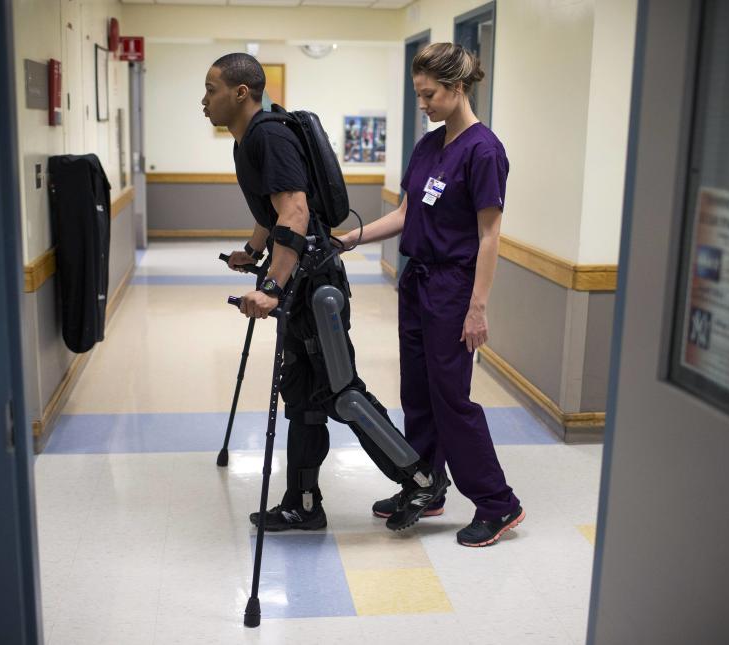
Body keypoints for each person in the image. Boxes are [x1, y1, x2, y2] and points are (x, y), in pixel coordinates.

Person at [202, 53, 448, 532]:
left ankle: (421, 479)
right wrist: (253, 253)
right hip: (302, 280)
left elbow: (294, 211)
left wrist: (271, 286)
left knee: (342, 392)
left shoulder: (268, 136)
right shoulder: (249, 139)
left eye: (211, 89)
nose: (203, 100)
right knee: (304, 398)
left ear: (241, 93)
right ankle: (304, 503)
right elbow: (272, 209)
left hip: (316, 287)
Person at [337, 43, 525, 547]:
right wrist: (347, 239)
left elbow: (490, 236)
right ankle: (423, 484)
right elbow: (405, 216)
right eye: (419, 95)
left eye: (430, 94)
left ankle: (497, 502)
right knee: (416, 391)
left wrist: (477, 308)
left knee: (450, 398)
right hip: (417, 280)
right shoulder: (428, 146)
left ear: (457, 87)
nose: (423, 104)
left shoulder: (484, 151)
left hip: (453, 287)